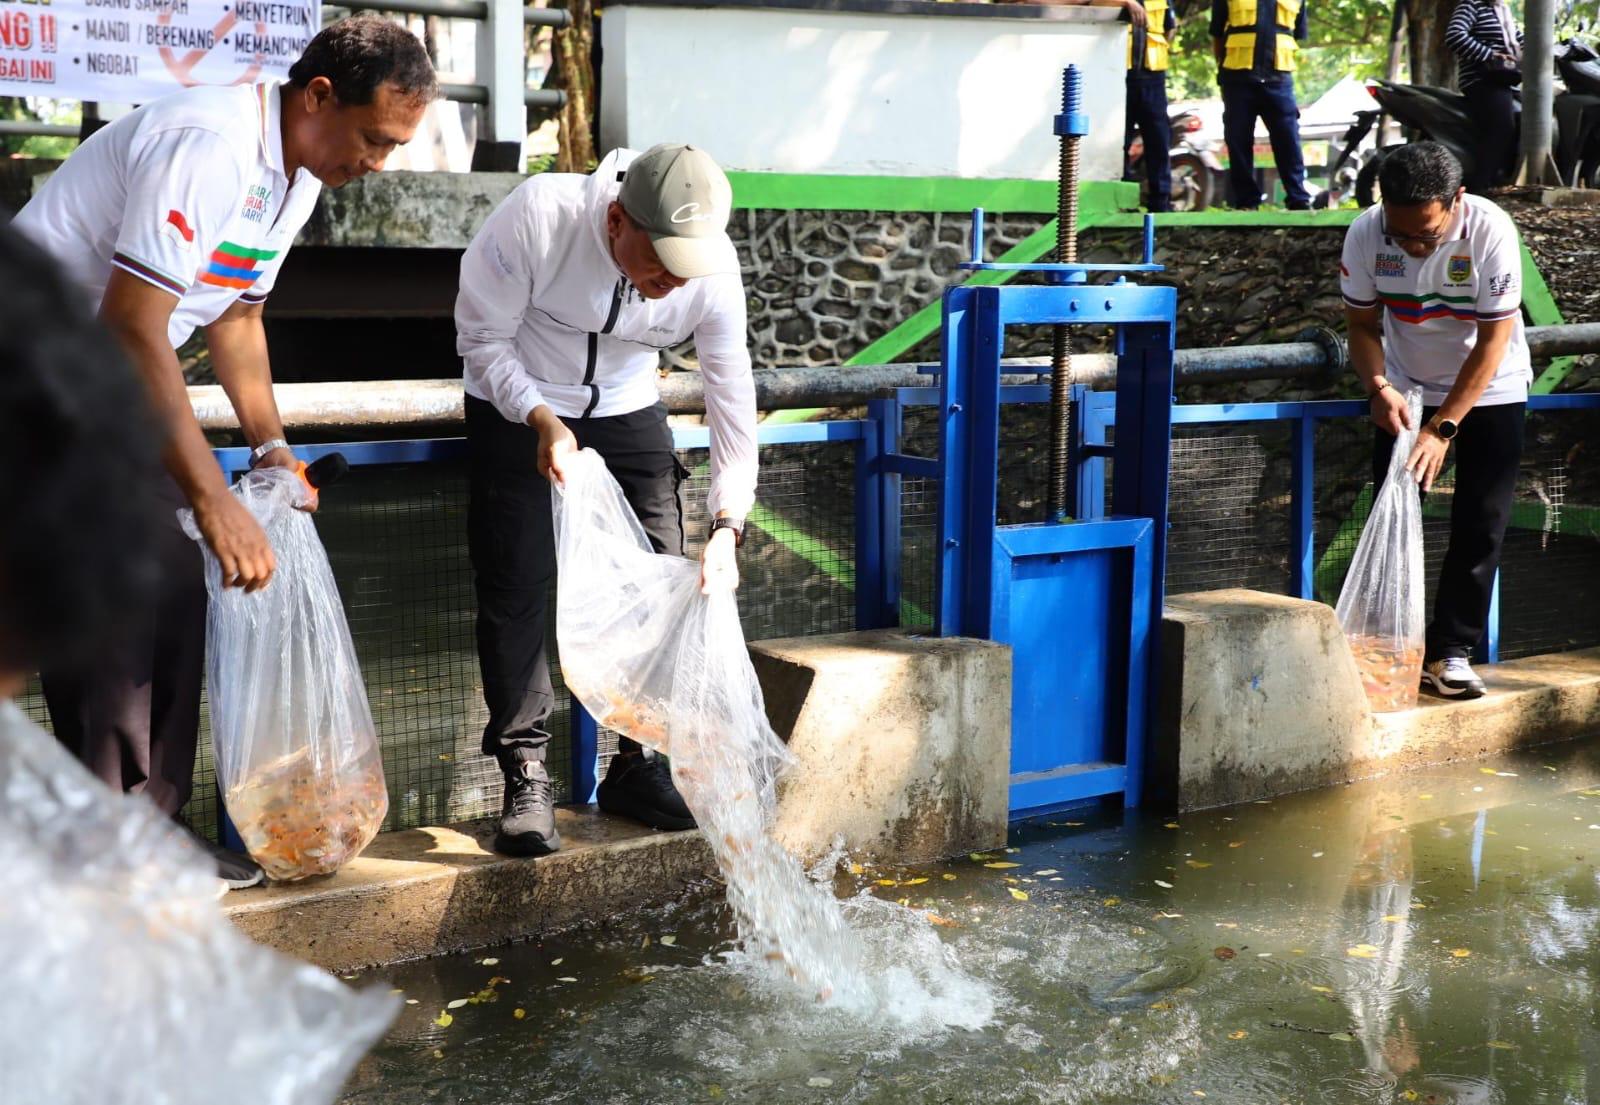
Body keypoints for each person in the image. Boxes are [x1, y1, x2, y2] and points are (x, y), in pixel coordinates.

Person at [10, 15, 435, 887]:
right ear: (317, 96)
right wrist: (212, 495)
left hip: (95, 381)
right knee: (120, 577)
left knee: (177, 579)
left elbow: (238, 314)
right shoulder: (208, 141)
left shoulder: (300, 175)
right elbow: (134, 323)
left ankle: (148, 825)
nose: (378, 162)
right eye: (374, 138)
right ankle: (103, 845)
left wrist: (271, 447)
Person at [455, 143, 757, 857]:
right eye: (660, 264)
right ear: (617, 220)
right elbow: (480, 337)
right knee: (517, 583)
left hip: (626, 403)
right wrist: (539, 418)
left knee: (657, 577)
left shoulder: (709, 271)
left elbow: (731, 399)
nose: (670, 282)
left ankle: (635, 760)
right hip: (518, 396)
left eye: (686, 267)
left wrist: (727, 524)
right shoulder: (540, 216)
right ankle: (525, 772)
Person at [1340, 142, 1529, 700]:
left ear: (1456, 202)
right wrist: (1380, 388)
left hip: (1489, 389)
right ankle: (1387, 646)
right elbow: (1361, 326)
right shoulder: (1367, 232)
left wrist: (1443, 427)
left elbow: (1494, 341)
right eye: (1401, 235)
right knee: (1395, 511)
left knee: (1481, 519)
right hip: (1408, 389)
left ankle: (1451, 651)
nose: (1414, 246)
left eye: (1426, 234)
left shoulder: (1490, 230)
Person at [1210, 0, 1312, 209]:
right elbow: (1217, 35)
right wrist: (1223, 74)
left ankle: (1298, 198)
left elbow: (1294, 35)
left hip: (1279, 79)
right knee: (1238, 140)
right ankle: (1246, 201)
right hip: (1238, 78)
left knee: (1288, 139)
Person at [1445, 0, 1524, 194]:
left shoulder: (1503, 11)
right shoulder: (1471, 6)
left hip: (1505, 80)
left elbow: (1518, 39)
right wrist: (1490, 54)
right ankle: (1480, 187)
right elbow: (1454, 36)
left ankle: (1503, 176)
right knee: (1503, 127)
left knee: (1525, 120)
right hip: (1481, 79)